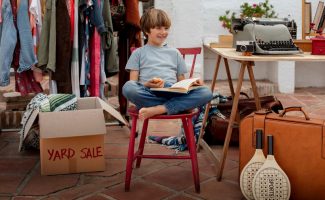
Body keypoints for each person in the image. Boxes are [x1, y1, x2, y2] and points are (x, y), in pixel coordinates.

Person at [122, 8, 212, 120]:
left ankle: (159, 109)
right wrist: (147, 85)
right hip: (149, 93)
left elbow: (181, 82)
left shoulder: (175, 53)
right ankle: (177, 106)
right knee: (128, 87)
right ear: (146, 31)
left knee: (206, 92)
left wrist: (193, 84)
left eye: (166, 28)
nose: (163, 32)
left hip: (172, 92)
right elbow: (133, 83)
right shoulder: (138, 53)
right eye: (159, 28)